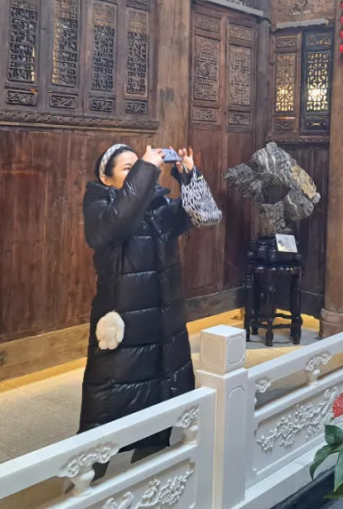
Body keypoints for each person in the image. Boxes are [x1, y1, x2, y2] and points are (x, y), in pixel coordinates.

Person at [78, 144, 207, 483]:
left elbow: (202, 214)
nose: (138, 170)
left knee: (159, 410)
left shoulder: (158, 204)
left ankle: (151, 481)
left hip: (164, 327)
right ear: (106, 179)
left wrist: (189, 176)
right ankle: (84, 487)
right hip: (125, 328)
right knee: (105, 410)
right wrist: (147, 169)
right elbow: (116, 224)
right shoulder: (99, 204)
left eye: (140, 165)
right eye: (128, 168)